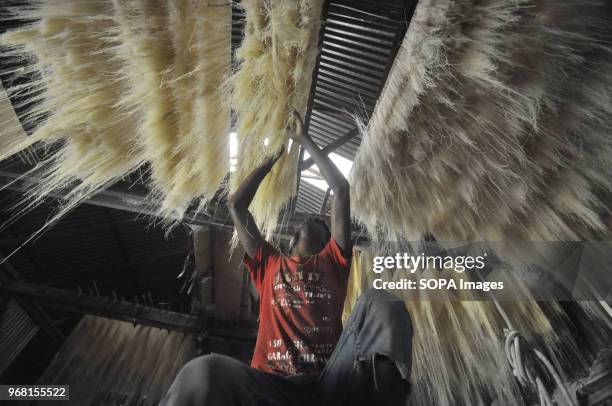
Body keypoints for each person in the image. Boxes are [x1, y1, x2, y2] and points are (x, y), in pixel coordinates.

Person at [161, 112, 413, 406]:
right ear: (292, 239)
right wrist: (271, 158)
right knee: (203, 371)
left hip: (325, 385)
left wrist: (304, 139)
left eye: (325, 224)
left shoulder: (334, 260)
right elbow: (236, 205)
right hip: (271, 388)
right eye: (315, 222)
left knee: (382, 302)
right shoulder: (269, 263)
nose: (319, 220)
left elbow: (341, 190)